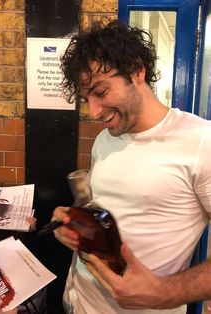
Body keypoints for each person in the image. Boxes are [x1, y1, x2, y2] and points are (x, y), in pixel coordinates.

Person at [53, 20, 211, 314]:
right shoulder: (105, 139)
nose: (94, 112)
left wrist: (166, 293)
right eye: (86, 98)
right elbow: (109, 211)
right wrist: (73, 224)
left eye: (101, 92)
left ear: (137, 71)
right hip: (76, 301)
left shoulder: (202, 142)